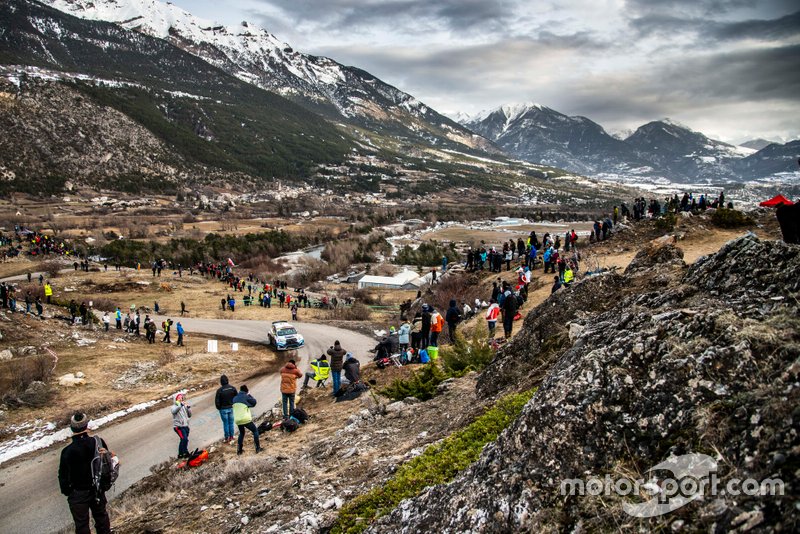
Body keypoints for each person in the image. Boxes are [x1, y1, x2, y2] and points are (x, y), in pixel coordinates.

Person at [58, 412, 112, 534]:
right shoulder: (98, 442)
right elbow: (106, 463)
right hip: (97, 488)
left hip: (78, 494)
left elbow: (63, 476)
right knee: (101, 518)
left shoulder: (67, 451)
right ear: (86, 425)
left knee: (81, 525)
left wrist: (68, 492)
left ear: (72, 428)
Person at [232, 385, 261, 455]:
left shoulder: (235, 398)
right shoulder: (246, 396)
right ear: (246, 391)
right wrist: (249, 395)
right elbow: (254, 402)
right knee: (255, 431)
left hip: (237, 420)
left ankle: (239, 450)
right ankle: (258, 448)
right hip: (245, 419)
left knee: (242, 433)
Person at [215, 375, 237, 444]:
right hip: (231, 407)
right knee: (231, 423)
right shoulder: (232, 388)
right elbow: (236, 397)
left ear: (221, 382)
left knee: (226, 424)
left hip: (223, 409)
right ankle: (232, 436)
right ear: (227, 380)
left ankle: (227, 437)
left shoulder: (219, 390)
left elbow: (217, 401)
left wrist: (219, 408)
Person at [171, 393, 191, 459]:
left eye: (181, 397)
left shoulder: (183, 406)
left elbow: (189, 415)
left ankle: (180, 454)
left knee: (183, 440)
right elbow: (174, 411)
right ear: (175, 399)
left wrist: (188, 408)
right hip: (178, 427)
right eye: (179, 398)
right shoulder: (174, 407)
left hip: (185, 426)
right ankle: (185, 453)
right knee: (184, 439)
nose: (180, 399)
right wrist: (180, 405)